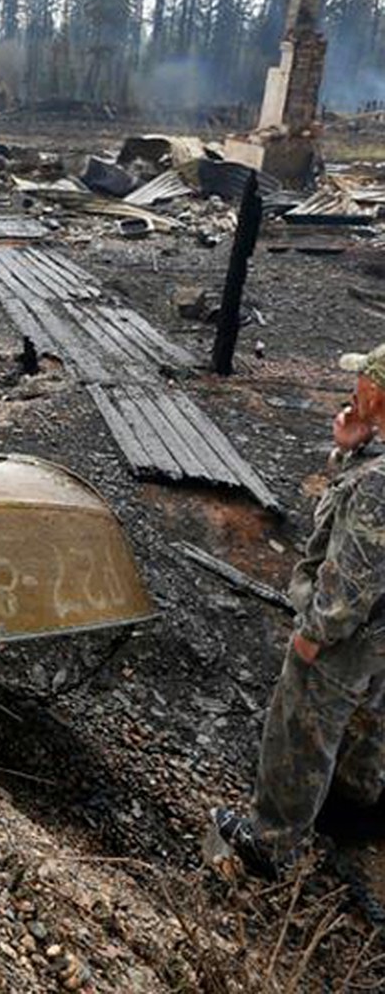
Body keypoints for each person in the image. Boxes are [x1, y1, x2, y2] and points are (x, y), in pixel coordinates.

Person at [214, 344, 385, 877]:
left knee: (302, 724)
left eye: (362, 384)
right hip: (380, 635)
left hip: (351, 633)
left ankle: (270, 842)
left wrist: (316, 632)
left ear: (377, 395)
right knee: (369, 716)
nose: (352, 393)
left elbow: (355, 572)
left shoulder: (379, 483)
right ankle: (355, 810)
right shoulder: (375, 464)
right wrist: (350, 448)